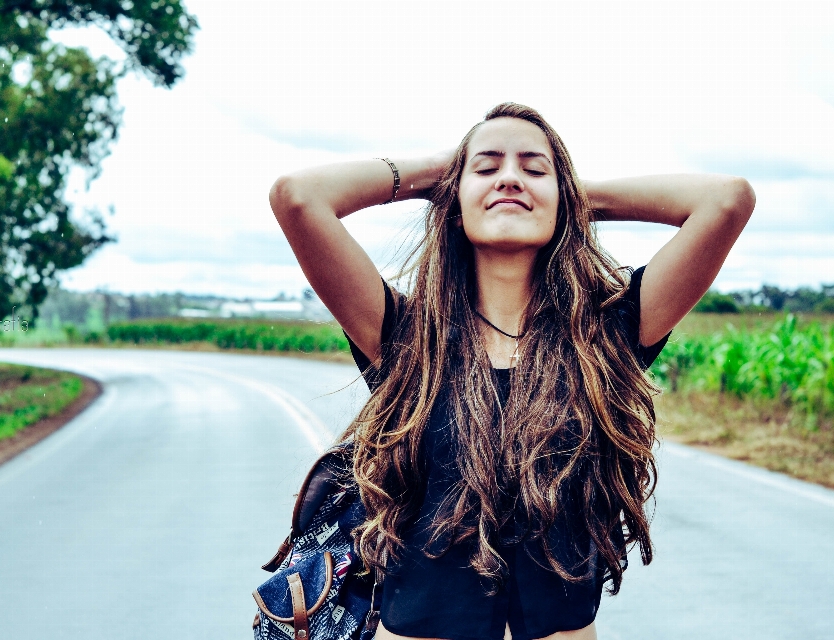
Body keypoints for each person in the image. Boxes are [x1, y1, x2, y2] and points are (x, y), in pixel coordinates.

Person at [269, 103, 755, 640]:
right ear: (453, 202)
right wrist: (438, 174)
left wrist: (568, 194)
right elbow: (298, 197)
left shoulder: (605, 338)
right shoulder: (406, 338)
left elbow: (727, 200)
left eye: (533, 167)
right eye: (487, 167)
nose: (509, 178)